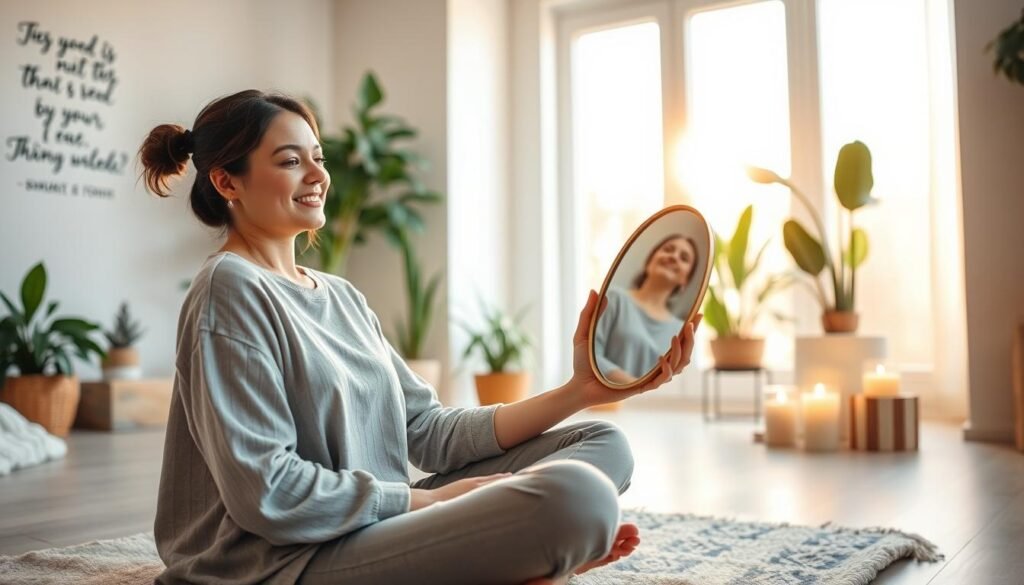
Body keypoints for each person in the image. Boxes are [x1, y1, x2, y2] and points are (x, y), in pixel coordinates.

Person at [140, 89, 700, 585]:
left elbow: (429, 432)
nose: (317, 175)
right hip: (275, 561)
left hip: (371, 527)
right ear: (225, 180)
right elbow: (267, 492)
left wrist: (579, 390)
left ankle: (522, 557)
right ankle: (529, 556)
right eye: (290, 161)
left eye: (318, 157)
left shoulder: (339, 296)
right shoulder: (229, 288)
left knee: (602, 446)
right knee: (577, 499)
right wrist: (427, 500)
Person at [594, 234, 700, 384]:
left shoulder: (680, 329)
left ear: (685, 280)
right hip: (606, 406)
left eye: (684, 258)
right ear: (649, 262)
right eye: (668, 249)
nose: (674, 257)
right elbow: (592, 355)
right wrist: (637, 387)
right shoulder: (615, 299)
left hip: (650, 406)